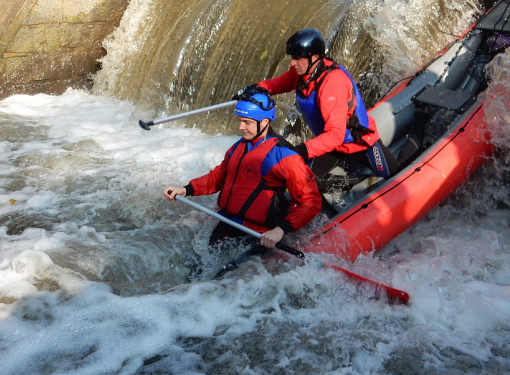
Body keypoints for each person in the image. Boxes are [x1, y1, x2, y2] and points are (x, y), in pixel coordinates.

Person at [163, 88, 322, 252]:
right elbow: (219, 176)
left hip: (259, 235)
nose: (240, 126)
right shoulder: (240, 146)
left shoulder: (285, 156)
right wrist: (185, 189)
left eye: (247, 122)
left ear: (265, 121)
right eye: (240, 120)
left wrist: (280, 230)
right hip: (228, 223)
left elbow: (311, 202)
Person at [253, 28, 404, 187]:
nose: (292, 63)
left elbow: (335, 135)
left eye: (297, 58)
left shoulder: (332, 84)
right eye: (292, 57)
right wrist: (255, 90)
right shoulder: (303, 72)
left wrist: (302, 150)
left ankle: (420, 126)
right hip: (331, 148)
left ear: (315, 57)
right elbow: (280, 83)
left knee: (395, 177)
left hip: (359, 144)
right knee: (302, 182)